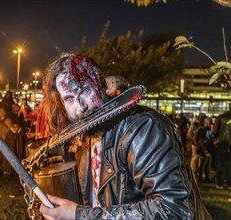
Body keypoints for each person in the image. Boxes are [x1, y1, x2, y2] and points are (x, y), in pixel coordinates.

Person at [39, 53, 211, 219]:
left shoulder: (143, 127)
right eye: (69, 98)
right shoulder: (89, 135)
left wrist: (80, 215)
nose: (80, 107)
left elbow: (173, 211)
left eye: (84, 90)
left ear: (101, 85)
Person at [212, 103, 231, 189]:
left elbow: (215, 131)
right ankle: (229, 183)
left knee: (220, 164)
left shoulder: (221, 117)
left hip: (221, 145)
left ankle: (220, 183)